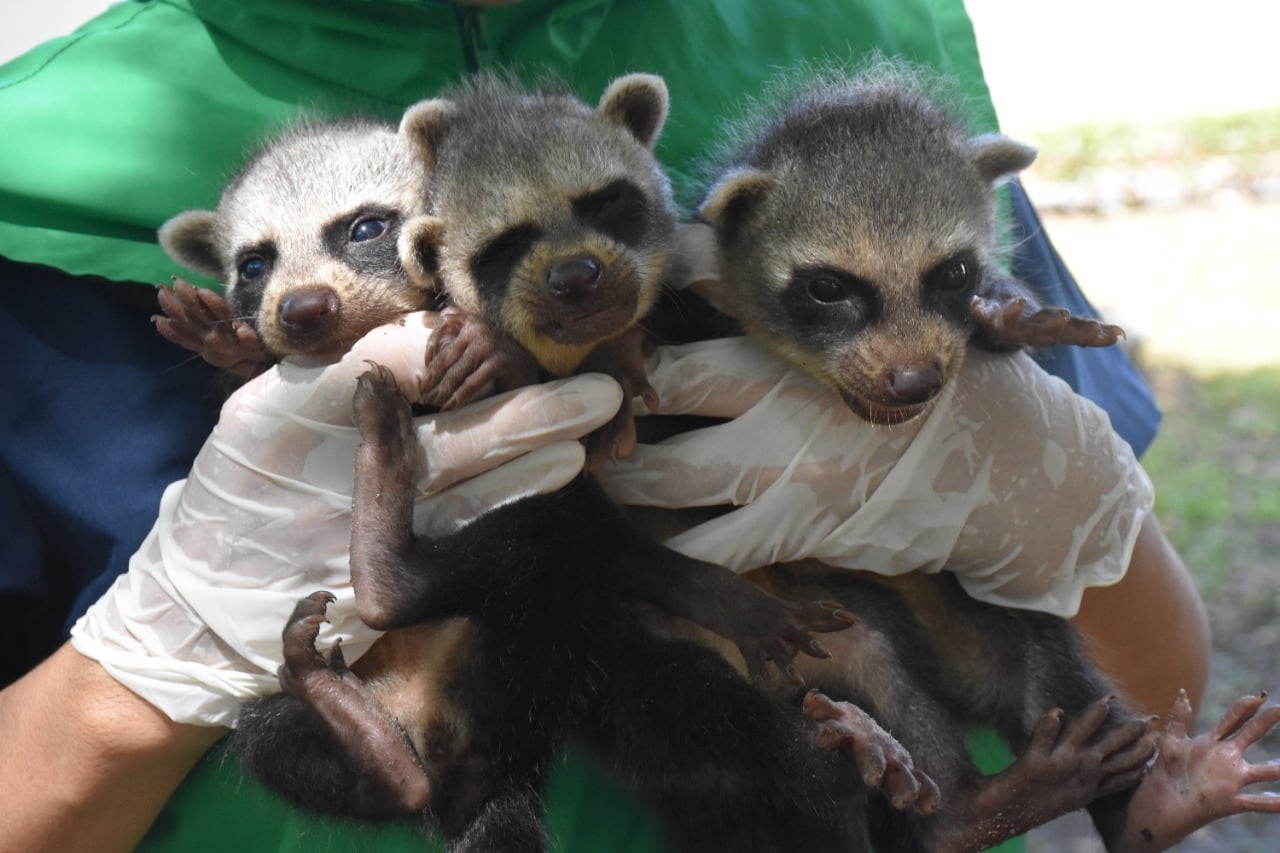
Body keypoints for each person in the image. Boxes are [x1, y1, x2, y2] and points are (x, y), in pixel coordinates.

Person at [0, 0, 1219, 850]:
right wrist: (156, 648)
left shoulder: (856, 52)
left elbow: (1158, 687)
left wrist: (1060, 498)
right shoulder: (34, 170)